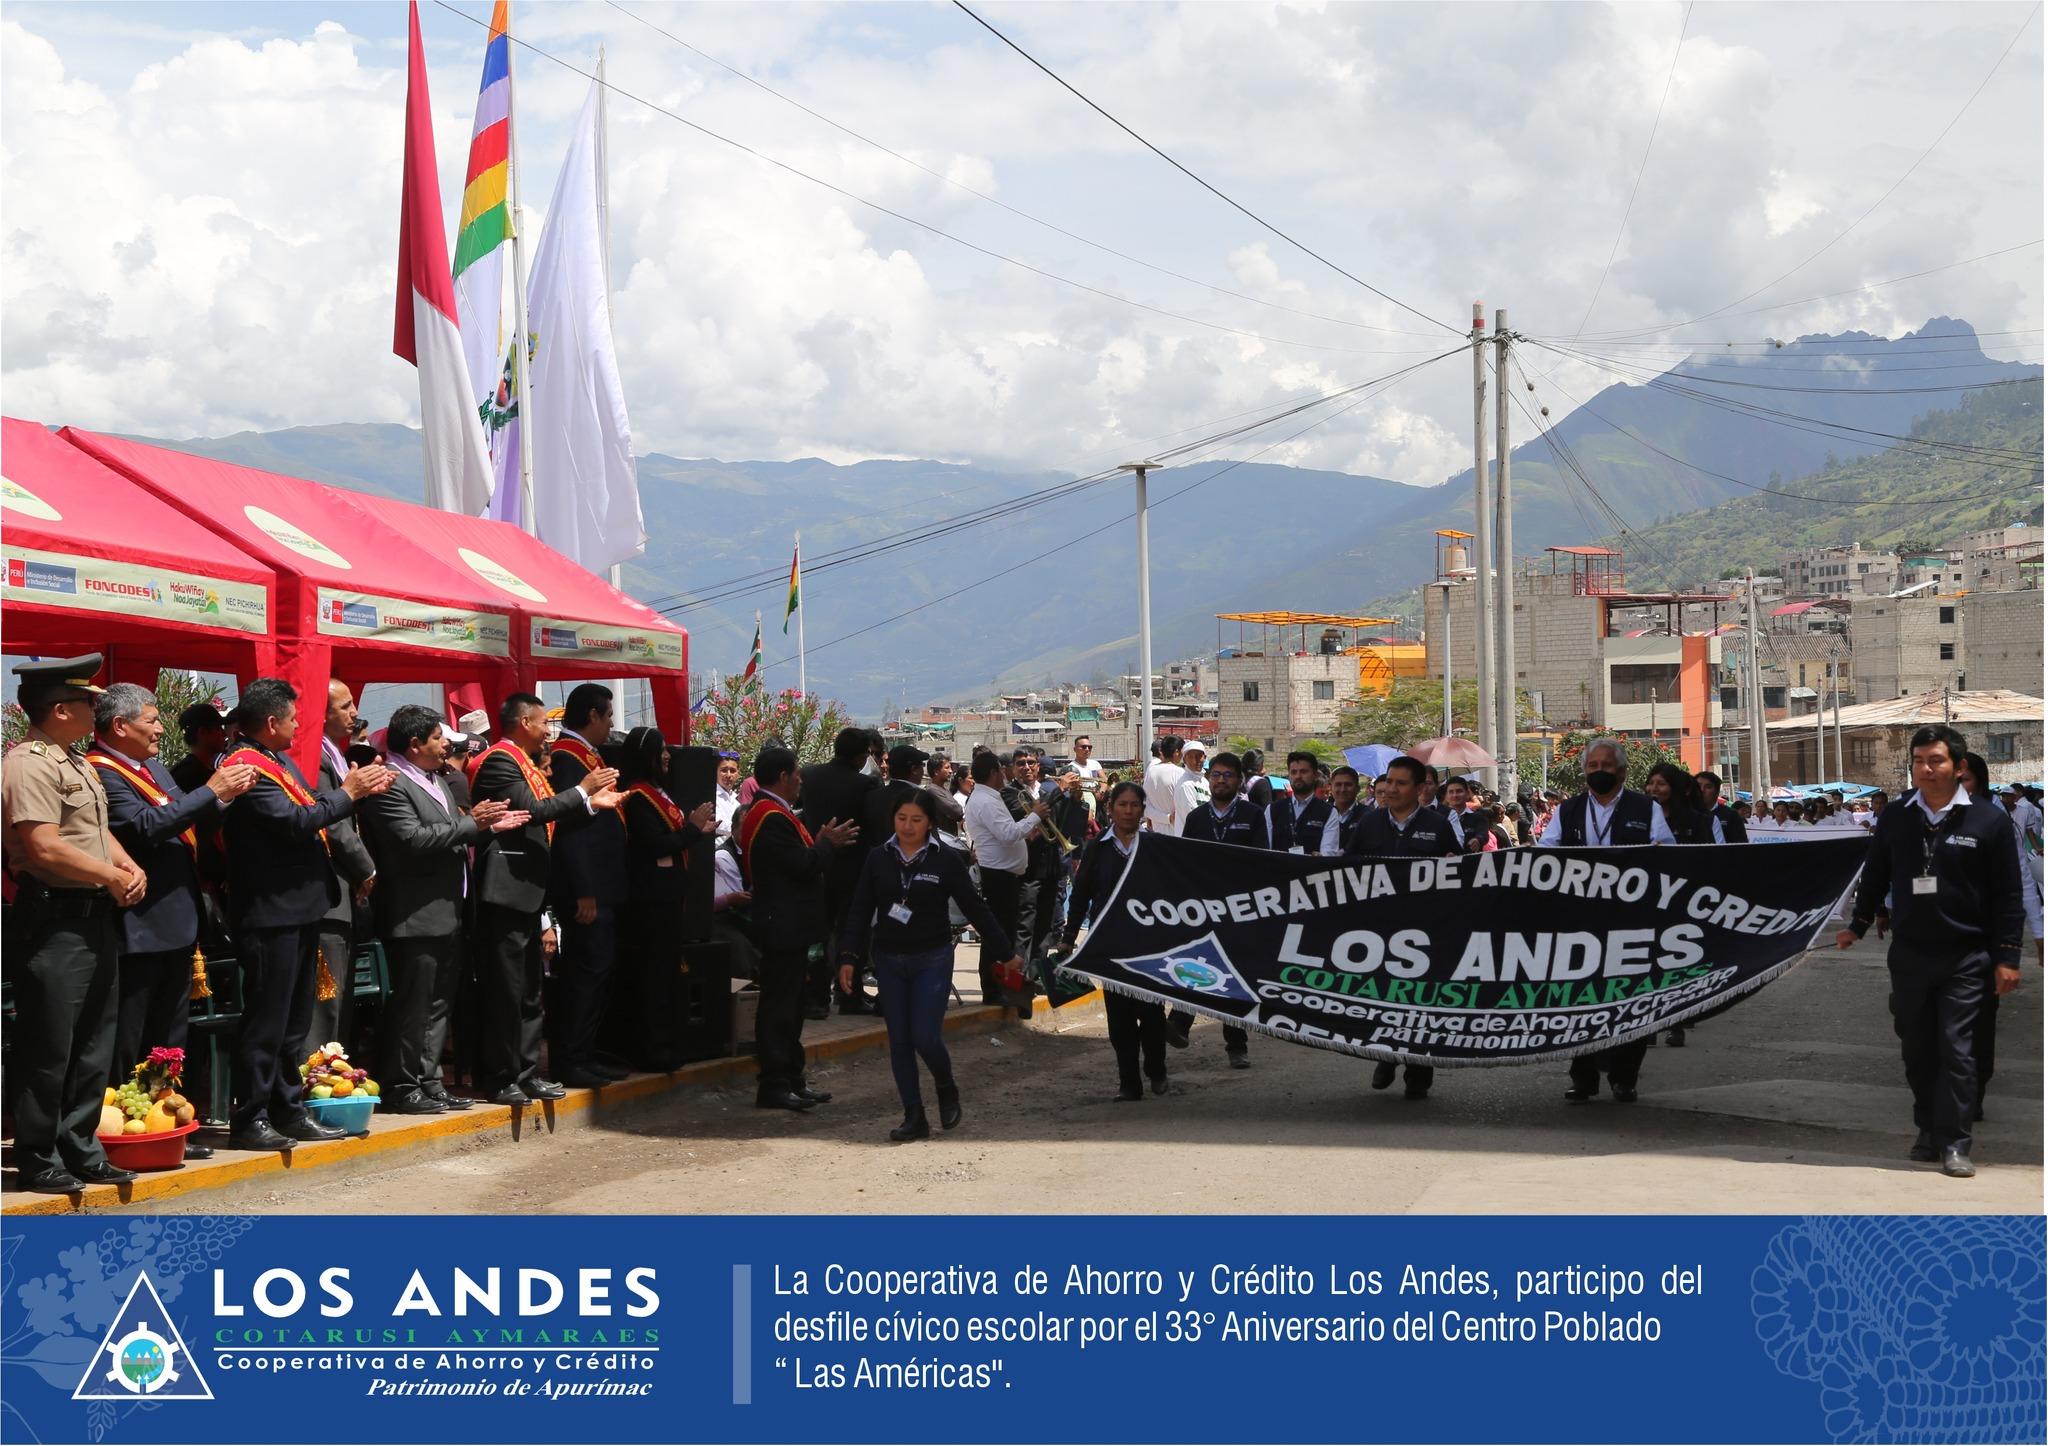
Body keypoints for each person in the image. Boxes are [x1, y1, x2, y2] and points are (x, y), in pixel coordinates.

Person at [1838, 725, 2022, 1178]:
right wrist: (1858, 925)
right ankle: (1928, 1129)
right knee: (1917, 1049)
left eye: (1935, 760)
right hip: (1911, 954)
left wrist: (2007, 957)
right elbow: (1876, 872)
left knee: (1957, 1050)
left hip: (1967, 957)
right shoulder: (1898, 816)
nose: (1925, 768)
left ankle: (1956, 1142)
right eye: (1919, 760)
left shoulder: (1988, 821)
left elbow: (2008, 895)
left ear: (1958, 767)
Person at [218, 677, 391, 1151]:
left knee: (294, 1023)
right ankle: (250, 1115)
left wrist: (356, 791)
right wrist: (349, 792)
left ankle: (287, 1109)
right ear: (271, 723)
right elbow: (297, 820)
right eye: (292, 718)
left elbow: (312, 809)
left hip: (298, 908)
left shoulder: (278, 760)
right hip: (269, 912)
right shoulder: (243, 766)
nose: (299, 724)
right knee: (266, 1021)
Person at [87, 683, 257, 1159]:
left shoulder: (153, 766)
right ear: (120, 726)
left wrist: (226, 796)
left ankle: (166, 1121)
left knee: (169, 1035)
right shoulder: (102, 771)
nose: (162, 727)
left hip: (176, 918)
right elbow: (145, 826)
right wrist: (211, 791)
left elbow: (183, 812)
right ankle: (124, 1126)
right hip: (139, 923)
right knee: (132, 1035)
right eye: (153, 719)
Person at [3, 657, 151, 1191]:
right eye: (88, 702)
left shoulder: (78, 762)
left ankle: (80, 1146)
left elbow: (93, 830)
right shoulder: (29, 763)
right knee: (50, 1044)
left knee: (93, 1043)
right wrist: (111, 876)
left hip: (92, 917)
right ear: (61, 709)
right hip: (53, 919)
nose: (96, 709)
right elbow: (43, 845)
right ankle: (38, 1155)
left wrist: (126, 865)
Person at [360, 706, 525, 1114]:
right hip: (413, 913)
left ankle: (429, 1079)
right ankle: (401, 1084)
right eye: (437, 737)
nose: (446, 745)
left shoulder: (434, 780)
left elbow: (448, 831)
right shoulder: (393, 783)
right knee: (412, 1005)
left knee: (438, 1003)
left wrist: (482, 827)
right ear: (414, 744)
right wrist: (474, 825)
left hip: (447, 909)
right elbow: (411, 839)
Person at [470, 691, 624, 1108]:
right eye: (542, 724)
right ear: (524, 722)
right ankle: (501, 1077)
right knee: (506, 990)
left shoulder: (524, 760)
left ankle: (525, 1071)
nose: (547, 732)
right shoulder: (502, 760)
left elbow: (547, 809)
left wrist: (589, 803)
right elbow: (534, 809)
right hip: (505, 890)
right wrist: (583, 790)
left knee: (530, 989)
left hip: (528, 890)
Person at [839, 789, 1020, 1141]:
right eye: (901, 818)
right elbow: (859, 910)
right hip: (889, 959)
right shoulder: (878, 858)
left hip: (932, 958)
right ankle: (914, 1115)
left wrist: (1004, 951)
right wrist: (848, 957)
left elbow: (975, 908)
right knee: (900, 1041)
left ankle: (945, 1085)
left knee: (925, 1035)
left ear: (930, 824)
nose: (907, 826)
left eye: (916, 820)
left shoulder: (945, 861)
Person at [1538, 737, 1674, 1104]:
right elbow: (1545, 852)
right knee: (1580, 999)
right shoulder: (1567, 811)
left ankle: (1624, 1078)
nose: (1598, 772)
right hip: (1579, 921)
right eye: (1592, 767)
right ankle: (1582, 1078)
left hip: (1632, 922)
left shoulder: (1646, 808)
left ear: (1622, 771)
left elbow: (1668, 853)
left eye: (1606, 766)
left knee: (1630, 999)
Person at [738, 745, 856, 1111]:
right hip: (781, 925)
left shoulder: (772, 811)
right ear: (784, 776)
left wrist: (819, 843)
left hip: (788, 925)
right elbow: (801, 865)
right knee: (779, 1007)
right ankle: (774, 1083)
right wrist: (826, 845)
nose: (801, 780)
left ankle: (792, 1078)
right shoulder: (770, 815)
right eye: (797, 774)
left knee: (791, 1006)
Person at [1344, 755, 1459, 1099]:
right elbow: (1347, 869)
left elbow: (1457, 872)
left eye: (1400, 783)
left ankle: (1419, 1070)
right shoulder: (1368, 823)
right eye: (1388, 782)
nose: (1391, 789)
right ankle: (1386, 1056)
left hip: (1424, 932)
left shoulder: (1438, 826)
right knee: (1383, 998)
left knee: (1420, 1002)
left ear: (1420, 788)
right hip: (1378, 930)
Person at [1058, 780, 1168, 1101]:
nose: (1129, 810)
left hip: (1149, 947)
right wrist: (1068, 939)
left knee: (1150, 1016)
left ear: (1143, 810)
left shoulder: (1155, 847)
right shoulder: (1097, 848)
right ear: (1111, 809)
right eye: (1123, 804)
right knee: (1119, 1022)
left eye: (1135, 805)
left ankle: (1157, 1069)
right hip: (1109, 947)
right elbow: (1080, 896)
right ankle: (1129, 1082)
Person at [615, 726, 717, 1074]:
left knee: (668, 975)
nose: (668, 757)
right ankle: (653, 1049)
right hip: (650, 901)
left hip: (669, 897)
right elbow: (657, 844)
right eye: (662, 750)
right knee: (654, 977)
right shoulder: (638, 796)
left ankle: (667, 1043)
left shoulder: (659, 792)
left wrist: (694, 832)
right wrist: (690, 830)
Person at [547, 683, 629, 1085]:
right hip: (587, 890)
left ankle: (586, 1052)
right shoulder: (567, 757)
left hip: (604, 885)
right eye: (608, 715)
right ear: (593, 716)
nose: (611, 723)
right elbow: (571, 830)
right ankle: (570, 1059)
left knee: (599, 972)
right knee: (585, 973)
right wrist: (584, 889)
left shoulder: (587, 755)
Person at [1953, 754, 2038, 1124]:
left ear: (1981, 783)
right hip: (1936, 940)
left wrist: (2037, 930)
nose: (1959, 789)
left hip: (1982, 941)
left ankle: (1974, 1092)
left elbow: (2018, 880)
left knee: (1980, 1020)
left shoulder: (1994, 821)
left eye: (1967, 781)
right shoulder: (1923, 816)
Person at [1169, 752, 1266, 1069]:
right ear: (1208, 779)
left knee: (1233, 977)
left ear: (1239, 780)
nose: (1221, 780)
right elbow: (1183, 859)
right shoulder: (1197, 817)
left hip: (1239, 909)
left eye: (1228, 775)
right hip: (1202, 907)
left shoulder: (1253, 815)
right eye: (1216, 774)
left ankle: (1236, 1045)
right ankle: (1180, 1024)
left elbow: (1263, 861)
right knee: (1194, 963)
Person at [302, 680, 379, 1058]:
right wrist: (367, 868)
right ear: (322, 712)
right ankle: (318, 1078)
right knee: (325, 1001)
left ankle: (335, 1075)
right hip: (327, 893)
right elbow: (332, 824)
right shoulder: (315, 755)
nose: (354, 714)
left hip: (344, 891)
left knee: (341, 1001)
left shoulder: (335, 753)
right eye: (345, 706)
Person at [801, 727, 880, 1017]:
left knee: (817, 934)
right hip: (854, 869)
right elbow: (874, 828)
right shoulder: (865, 786)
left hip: (817, 864)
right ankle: (850, 995)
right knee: (852, 931)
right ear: (862, 757)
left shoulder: (809, 777)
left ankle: (816, 996)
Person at [963, 750, 1047, 1004]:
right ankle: (994, 989)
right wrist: (1035, 815)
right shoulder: (986, 800)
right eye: (1001, 770)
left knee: (1002, 934)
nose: (1005, 774)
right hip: (998, 876)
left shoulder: (988, 797)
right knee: (998, 936)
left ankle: (1001, 987)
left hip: (1004, 874)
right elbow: (1008, 834)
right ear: (993, 773)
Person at [1268, 749, 1332, 854]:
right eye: (1294, 772)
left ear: (1315, 775)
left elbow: (1329, 853)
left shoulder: (1329, 812)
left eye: (1303, 771)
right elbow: (1265, 850)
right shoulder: (1272, 810)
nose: (1298, 776)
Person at [1645, 762, 1718, 844]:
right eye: (1650, 783)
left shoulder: (1696, 820)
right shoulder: (1640, 816)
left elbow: (1708, 853)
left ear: (1674, 787)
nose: (1654, 789)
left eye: (1661, 784)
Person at [170, 701, 232, 795]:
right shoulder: (187, 775)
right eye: (219, 728)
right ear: (202, 732)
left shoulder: (204, 768)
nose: (224, 734)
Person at [1320, 767, 1371, 855]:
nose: (1343, 789)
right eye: (1338, 785)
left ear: (1357, 789)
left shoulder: (1369, 816)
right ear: (1331, 788)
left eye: (1348, 785)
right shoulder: (1321, 813)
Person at [1142, 735, 1186, 833]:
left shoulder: (1151, 771)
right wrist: (1170, 818)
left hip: (1157, 834)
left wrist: (1166, 818)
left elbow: (1146, 808)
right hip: (1177, 833)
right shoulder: (1180, 773)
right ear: (1176, 752)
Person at [1439, 778, 1494, 853]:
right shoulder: (1439, 818)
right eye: (1451, 792)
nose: (1455, 795)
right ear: (1446, 796)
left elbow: (1483, 835)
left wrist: (1477, 840)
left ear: (1468, 794)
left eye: (1459, 791)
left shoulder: (1478, 817)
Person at [1171, 740, 1212, 830]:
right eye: (1191, 757)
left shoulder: (1205, 782)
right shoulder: (1185, 785)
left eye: (1199, 756)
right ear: (1184, 760)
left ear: (1204, 757)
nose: (1195, 760)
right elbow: (1194, 819)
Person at [1697, 771, 1747, 843]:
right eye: (1698, 786)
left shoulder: (1732, 815)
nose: (1702, 790)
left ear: (1717, 792)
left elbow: (1740, 845)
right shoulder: (1685, 814)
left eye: (1708, 787)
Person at [714, 753, 743, 840]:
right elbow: (720, 825)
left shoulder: (735, 802)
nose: (728, 775)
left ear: (738, 774)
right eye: (724, 770)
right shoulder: (712, 797)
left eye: (732, 771)